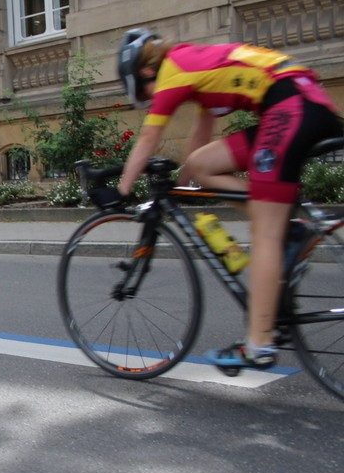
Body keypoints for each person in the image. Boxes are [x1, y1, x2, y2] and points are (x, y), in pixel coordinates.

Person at [107, 29, 342, 370]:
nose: (150, 97)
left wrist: (122, 190)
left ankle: (258, 345)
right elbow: (201, 145)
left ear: (144, 73)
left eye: (144, 91)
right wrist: (182, 185)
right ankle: (285, 221)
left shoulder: (173, 69)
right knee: (206, 165)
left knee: (265, 234)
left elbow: (148, 136)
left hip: (289, 106)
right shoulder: (197, 63)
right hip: (300, 101)